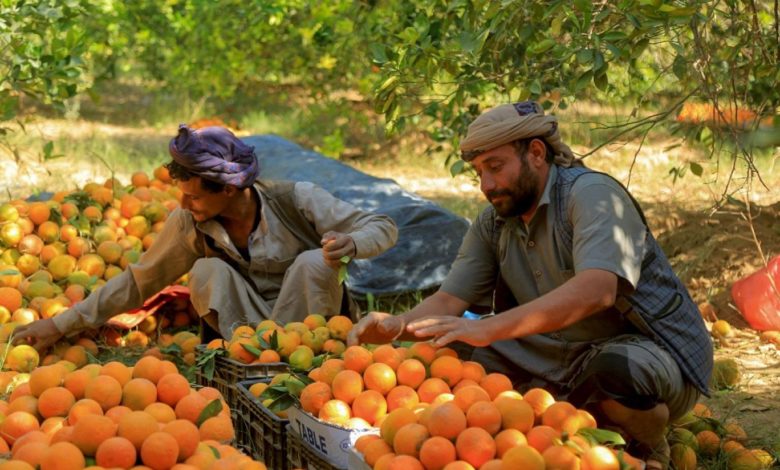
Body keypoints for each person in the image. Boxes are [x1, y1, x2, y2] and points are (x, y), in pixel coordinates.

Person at [348, 101, 712, 469]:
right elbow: (448, 301)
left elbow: (596, 290)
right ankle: (544, 430)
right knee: (447, 347)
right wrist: (399, 327)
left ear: (536, 153)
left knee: (618, 371)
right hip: (552, 358)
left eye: (495, 167)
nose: (486, 185)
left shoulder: (591, 195)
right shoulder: (493, 224)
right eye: (478, 172)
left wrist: (488, 327)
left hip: (640, 352)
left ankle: (646, 446)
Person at [15, 124, 398, 350]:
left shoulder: (294, 199)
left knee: (315, 261)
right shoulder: (189, 222)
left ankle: (314, 362)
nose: (184, 204)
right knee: (206, 270)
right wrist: (59, 324)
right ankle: (246, 363)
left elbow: (383, 225)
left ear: (228, 189)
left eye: (194, 195)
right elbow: (139, 281)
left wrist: (353, 244)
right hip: (248, 334)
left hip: (312, 333)